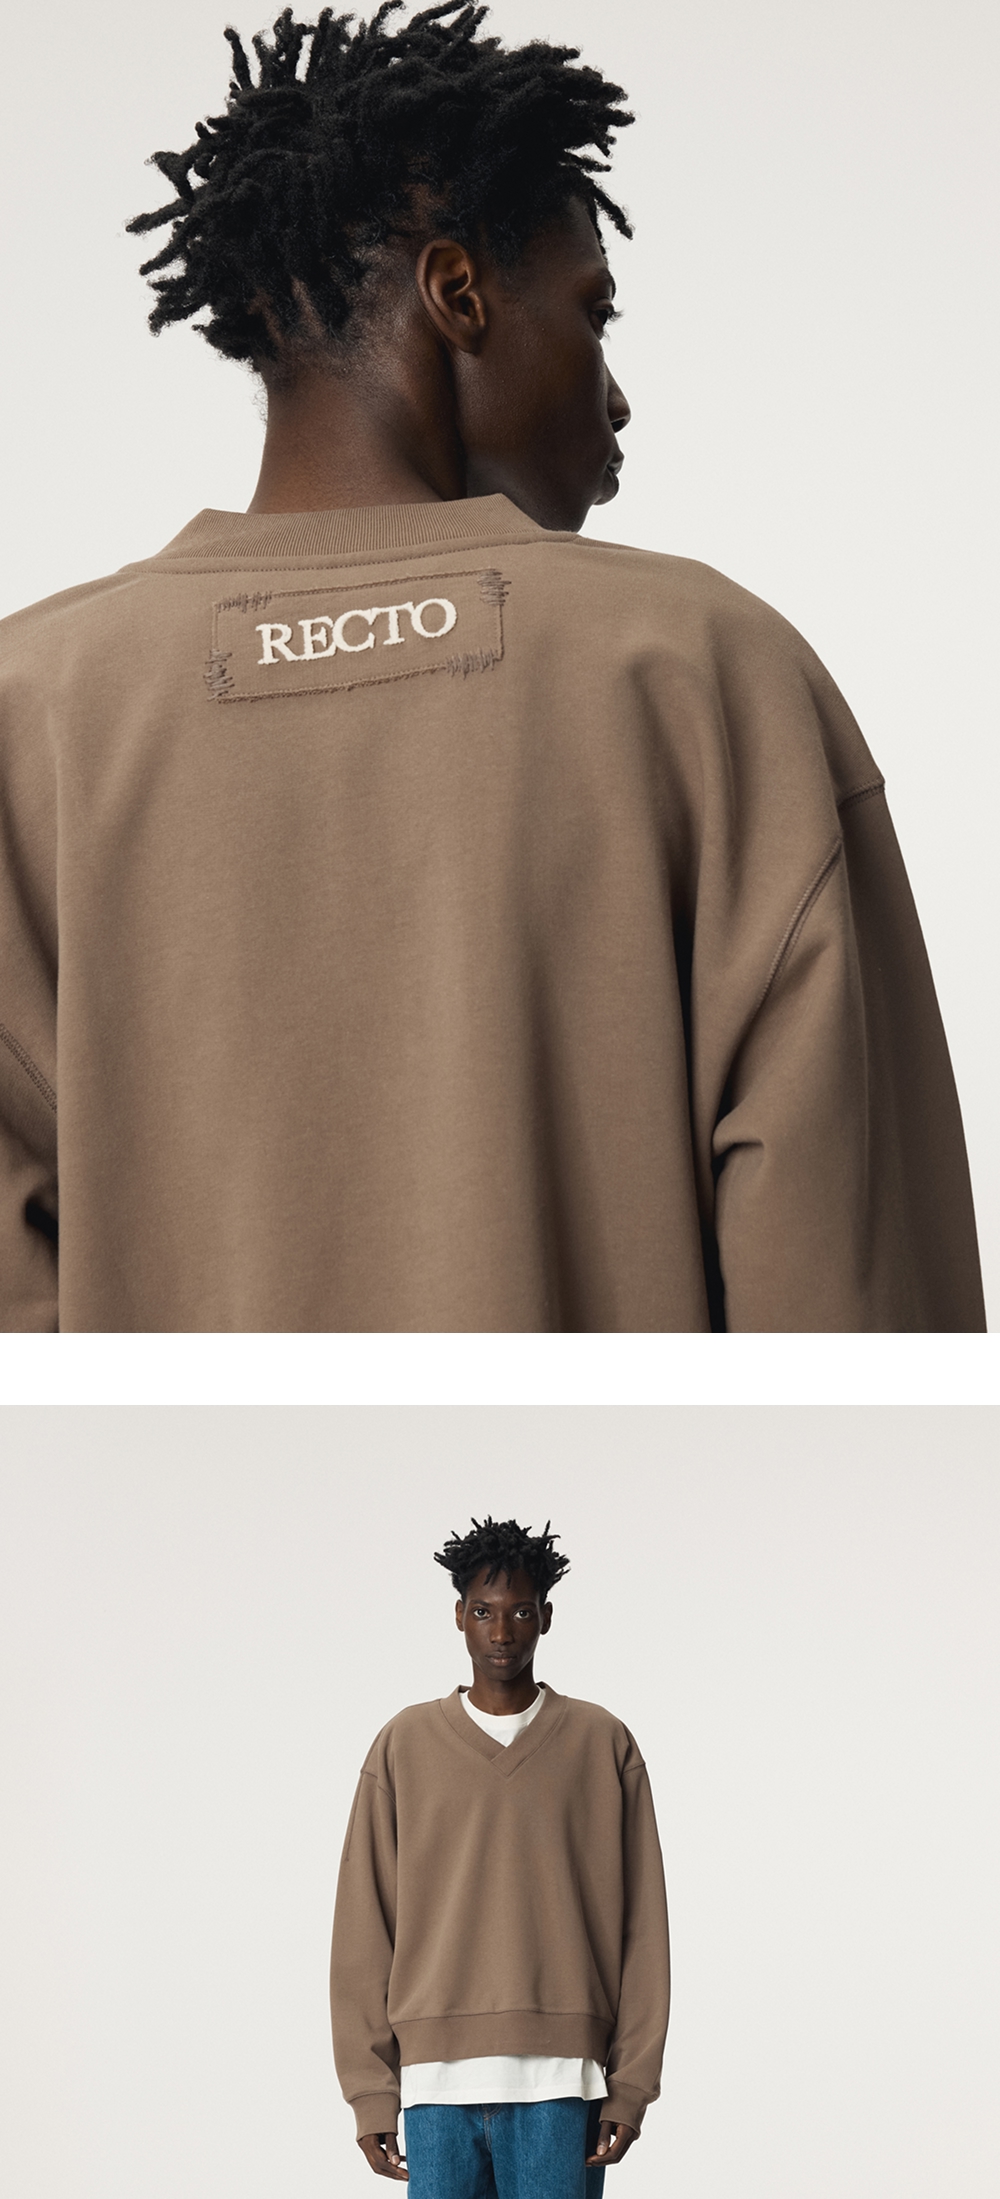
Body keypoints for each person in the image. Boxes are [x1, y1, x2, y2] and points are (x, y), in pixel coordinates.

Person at [0, 5, 984, 1333]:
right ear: (458, 296)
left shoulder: (33, 717)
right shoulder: (708, 675)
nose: (615, 395)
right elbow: (848, 1318)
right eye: (592, 312)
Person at [330, 1506, 670, 2199]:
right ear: (458, 1618)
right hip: (435, 2087)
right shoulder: (402, 1748)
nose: (503, 1628)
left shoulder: (602, 1745)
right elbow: (363, 1922)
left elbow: (642, 1924)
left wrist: (631, 2080)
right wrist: (370, 2087)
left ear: (546, 1618)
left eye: (521, 1610)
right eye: (485, 1610)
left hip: (562, 2086)